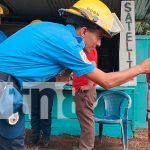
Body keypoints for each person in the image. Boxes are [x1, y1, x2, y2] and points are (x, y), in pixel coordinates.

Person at [0, 0, 150, 149]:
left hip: (6, 83)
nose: (99, 44)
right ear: (84, 31)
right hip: (4, 84)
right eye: (99, 36)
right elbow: (106, 81)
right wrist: (141, 68)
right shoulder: (68, 43)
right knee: (12, 143)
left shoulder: (56, 32)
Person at [24, 19, 55, 148]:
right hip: (32, 81)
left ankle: (46, 137)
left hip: (47, 81)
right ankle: (35, 136)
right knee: (35, 111)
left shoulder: (50, 43)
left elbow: (57, 60)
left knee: (45, 111)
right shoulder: (28, 45)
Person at [73, 48, 98, 150]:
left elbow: (92, 65)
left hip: (85, 91)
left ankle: (86, 147)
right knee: (85, 122)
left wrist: (89, 84)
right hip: (82, 89)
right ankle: (84, 146)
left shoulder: (88, 49)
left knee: (87, 121)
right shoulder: (85, 49)